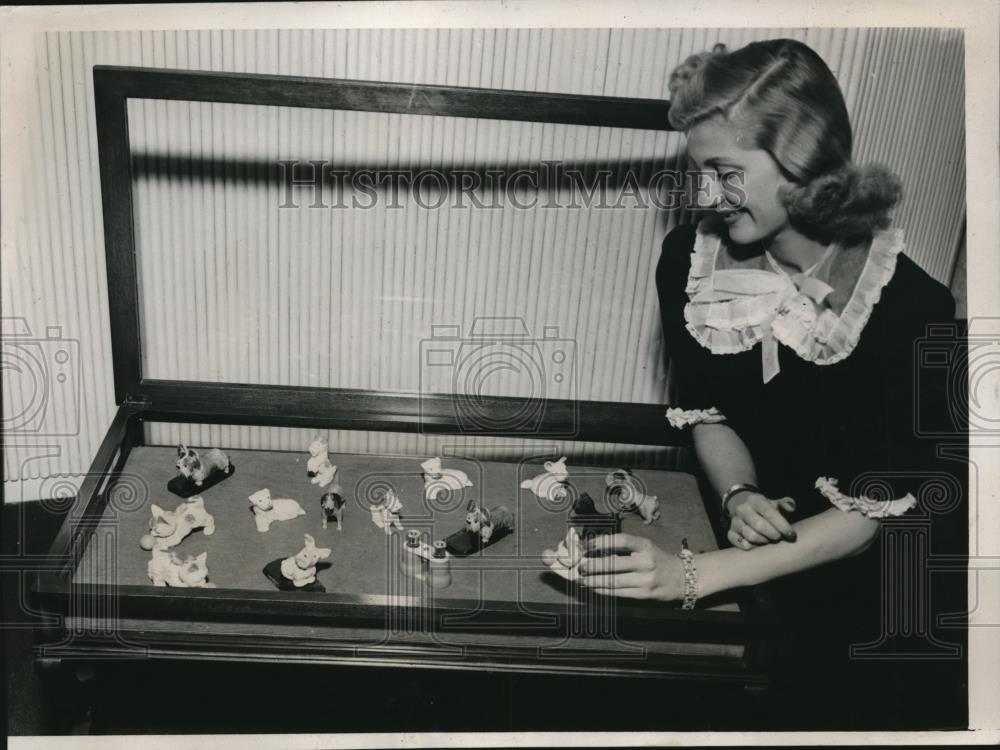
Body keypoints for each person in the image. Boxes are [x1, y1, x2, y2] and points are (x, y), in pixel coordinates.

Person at [578, 38, 964, 728]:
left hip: (882, 597)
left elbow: (875, 513)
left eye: (725, 171)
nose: (705, 194)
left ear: (804, 159)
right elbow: (708, 410)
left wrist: (693, 576)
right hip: (762, 572)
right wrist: (739, 491)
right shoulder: (687, 263)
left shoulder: (912, 310)